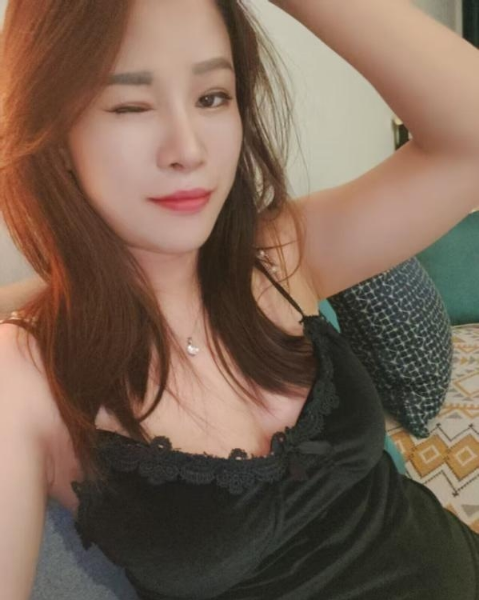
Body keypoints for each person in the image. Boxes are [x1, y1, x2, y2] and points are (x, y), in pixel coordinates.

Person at [1, 0, 479, 598]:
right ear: (52, 135)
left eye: (212, 97)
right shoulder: (26, 373)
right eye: (129, 105)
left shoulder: (277, 254)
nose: (188, 149)